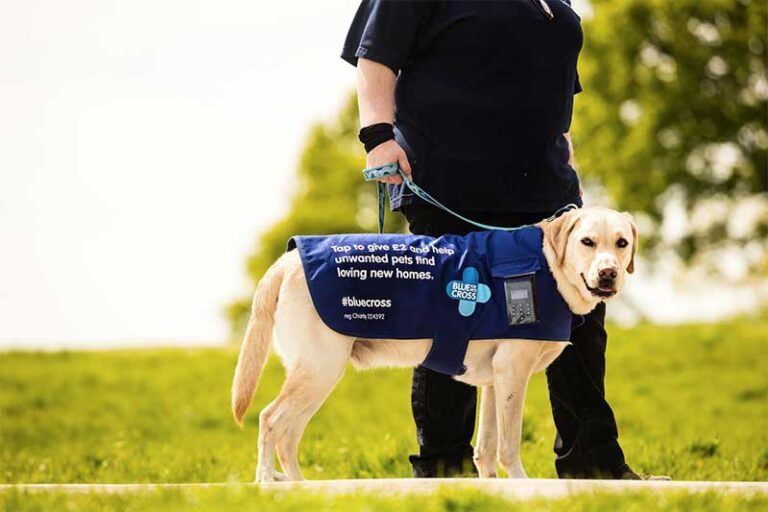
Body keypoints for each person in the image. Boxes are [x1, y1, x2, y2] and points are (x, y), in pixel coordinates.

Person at [342, 0, 665, 480]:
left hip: (544, 190)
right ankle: (446, 466)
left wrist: (564, 146)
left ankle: (592, 463)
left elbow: (550, 80)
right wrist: (377, 138)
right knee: (453, 317)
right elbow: (375, 58)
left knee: (578, 327)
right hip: (450, 181)